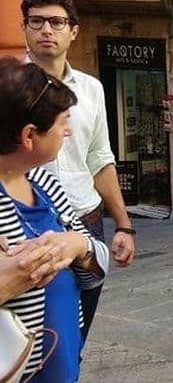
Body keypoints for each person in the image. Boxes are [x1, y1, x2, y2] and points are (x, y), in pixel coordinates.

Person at [21, 0, 135, 341]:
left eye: (56, 22)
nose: (46, 31)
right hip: (27, 222)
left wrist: (123, 225)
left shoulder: (91, 90)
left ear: (73, 31)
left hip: (84, 221)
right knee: (27, 337)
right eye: (36, 22)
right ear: (24, 28)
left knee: (76, 335)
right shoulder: (9, 87)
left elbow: (100, 158)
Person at [0, 58, 109, 381]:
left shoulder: (44, 184)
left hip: (61, 361)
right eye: (63, 121)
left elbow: (98, 266)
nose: (69, 130)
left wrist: (78, 245)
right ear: (30, 135)